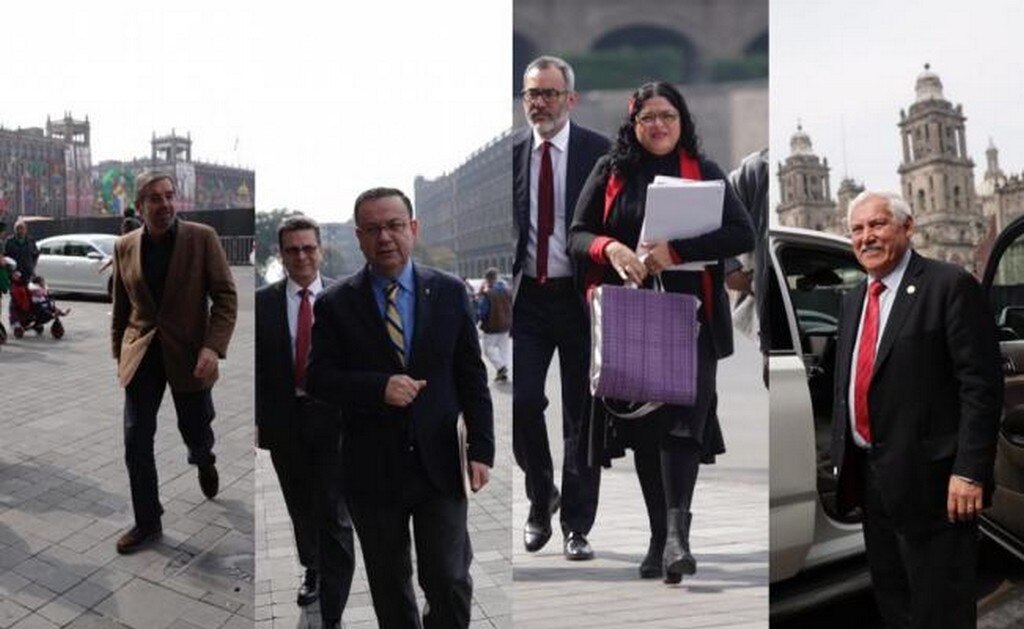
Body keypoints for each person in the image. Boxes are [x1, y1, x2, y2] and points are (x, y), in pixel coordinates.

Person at [568, 81, 754, 584]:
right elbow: (576, 233)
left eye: (667, 116)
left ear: (681, 120)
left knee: (684, 425)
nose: (658, 125)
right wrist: (611, 249)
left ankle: (677, 538)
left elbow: (743, 234)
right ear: (634, 123)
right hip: (634, 313)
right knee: (649, 432)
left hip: (693, 316)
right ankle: (657, 538)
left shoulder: (706, 172)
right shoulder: (611, 171)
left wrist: (674, 251)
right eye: (648, 116)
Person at [306, 187, 494, 628]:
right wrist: (378, 388)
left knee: (448, 578)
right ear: (358, 237)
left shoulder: (448, 292)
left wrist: (482, 450)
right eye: (372, 229)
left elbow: (472, 375)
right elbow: (318, 380)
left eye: (393, 225)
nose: (384, 237)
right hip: (372, 470)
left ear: (413, 228)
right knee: (390, 587)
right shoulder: (335, 304)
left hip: (440, 463)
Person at [831, 191, 1002, 628]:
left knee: (940, 610)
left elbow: (980, 386)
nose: (866, 237)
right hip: (872, 478)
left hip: (936, 485)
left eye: (878, 225)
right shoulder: (853, 301)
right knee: (895, 603)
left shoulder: (949, 285)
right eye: (857, 229)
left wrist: (969, 471)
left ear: (908, 228)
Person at [110, 170, 238, 554]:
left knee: (196, 428)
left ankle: (204, 459)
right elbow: (121, 306)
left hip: (190, 355)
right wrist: (120, 354)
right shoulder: (125, 246)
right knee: (136, 441)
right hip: (143, 354)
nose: (165, 204)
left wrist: (213, 347)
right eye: (155, 198)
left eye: (169, 196)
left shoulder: (202, 238)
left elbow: (226, 298)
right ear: (140, 206)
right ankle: (147, 522)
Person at [512, 54, 609, 560]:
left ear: (570, 99)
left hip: (580, 298)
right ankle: (539, 495)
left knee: (581, 416)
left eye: (550, 93)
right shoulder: (514, 155)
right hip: (529, 298)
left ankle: (576, 525)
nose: (540, 103)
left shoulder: (599, 152)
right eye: (532, 94)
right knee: (523, 401)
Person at [255, 215, 355, 628]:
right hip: (286, 420)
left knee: (334, 508)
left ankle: (335, 589)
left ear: (320, 250)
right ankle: (312, 567)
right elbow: (257, 369)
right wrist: (260, 421)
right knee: (300, 505)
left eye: (308, 248)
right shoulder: (264, 301)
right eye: (292, 249)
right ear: (281, 254)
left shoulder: (345, 296)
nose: (301, 256)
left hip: (334, 420)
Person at [476, 267, 511, 382]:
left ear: (487, 279)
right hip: (506, 324)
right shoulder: (507, 290)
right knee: (503, 349)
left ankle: (501, 367)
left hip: (492, 325)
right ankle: (502, 370)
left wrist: (478, 319)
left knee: (488, 350)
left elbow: (483, 311)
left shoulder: (488, 293)